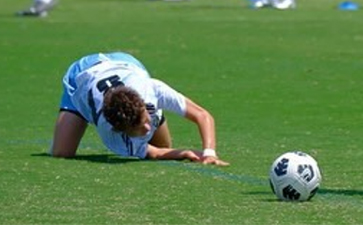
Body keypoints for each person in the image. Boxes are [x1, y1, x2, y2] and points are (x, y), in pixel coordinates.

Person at [51, 52, 229, 165]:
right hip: (82, 75)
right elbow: (154, 153)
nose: (146, 128)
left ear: (143, 105)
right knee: (62, 153)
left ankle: (156, 114)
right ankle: (80, 108)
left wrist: (209, 152)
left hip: (125, 62)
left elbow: (202, 115)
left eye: (145, 119)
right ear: (119, 129)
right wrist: (185, 152)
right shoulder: (112, 135)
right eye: (138, 127)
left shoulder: (151, 89)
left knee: (165, 144)